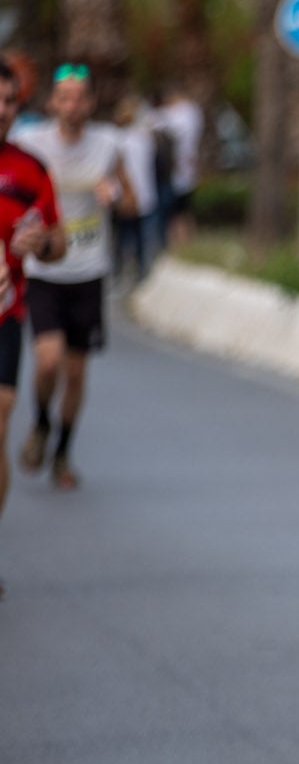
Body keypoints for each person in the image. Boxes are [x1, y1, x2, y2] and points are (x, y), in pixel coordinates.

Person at [12, 62, 135, 491]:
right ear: (51, 103)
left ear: (91, 102)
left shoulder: (108, 144)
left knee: (77, 372)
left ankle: (63, 450)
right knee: (48, 361)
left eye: (80, 96)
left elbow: (132, 201)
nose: (72, 105)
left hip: (88, 270)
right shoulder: (30, 142)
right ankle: (42, 422)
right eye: (64, 97)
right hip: (45, 269)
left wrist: (113, 195)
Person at [0, 55, 66, 537]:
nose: (1, 110)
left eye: (8, 101)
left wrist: (42, 242)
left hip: (6, 314)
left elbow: (58, 243)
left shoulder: (30, 170)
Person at [109, 92, 159, 288]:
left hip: (126, 193)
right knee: (138, 235)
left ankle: (120, 270)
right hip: (141, 192)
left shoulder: (120, 139)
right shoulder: (144, 139)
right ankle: (137, 269)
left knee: (122, 235)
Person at [155, 80, 204, 248]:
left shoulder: (183, 113)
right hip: (186, 168)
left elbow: (161, 122)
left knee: (177, 211)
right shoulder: (192, 112)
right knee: (184, 209)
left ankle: (181, 243)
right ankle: (187, 242)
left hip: (178, 170)